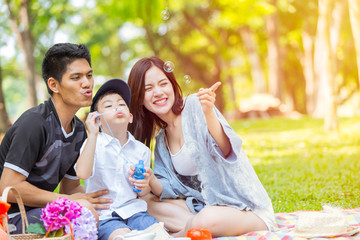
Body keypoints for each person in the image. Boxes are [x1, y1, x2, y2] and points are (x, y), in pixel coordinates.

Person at [127, 56, 275, 237]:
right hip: (204, 206)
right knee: (146, 203)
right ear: (140, 98)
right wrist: (150, 180)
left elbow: (226, 149)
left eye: (163, 84)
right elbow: (166, 189)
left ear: (173, 85)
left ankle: (181, 233)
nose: (158, 92)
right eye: (148, 88)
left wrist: (208, 113)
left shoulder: (195, 105)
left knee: (204, 220)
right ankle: (193, 228)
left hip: (244, 210)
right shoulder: (161, 141)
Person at [0, 43, 111, 233]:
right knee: (83, 215)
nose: (87, 83)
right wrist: (68, 201)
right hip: (9, 218)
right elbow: (9, 186)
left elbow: (71, 188)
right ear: (53, 84)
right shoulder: (34, 123)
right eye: (76, 77)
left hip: (42, 211)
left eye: (89, 75)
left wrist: (108, 197)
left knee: (109, 210)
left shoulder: (78, 130)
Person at [76, 78, 160, 240]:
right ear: (98, 120)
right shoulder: (93, 144)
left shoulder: (141, 150)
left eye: (121, 104)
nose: (116, 107)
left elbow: (142, 192)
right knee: (123, 237)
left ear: (130, 117)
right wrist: (92, 134)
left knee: (158, 235)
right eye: (108, 106)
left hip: (135, 211)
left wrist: (143, 185)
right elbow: (82, 173)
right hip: (106, 216)